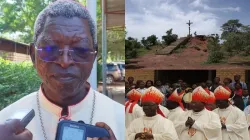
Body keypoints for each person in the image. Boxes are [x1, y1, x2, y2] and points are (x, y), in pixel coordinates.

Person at [0, 1, 124, 140]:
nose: (65, 62)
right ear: (33, 55)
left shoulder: (122, 119)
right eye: (50, 49)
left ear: (93, 57)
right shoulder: (4, 123)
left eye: (81, 50)